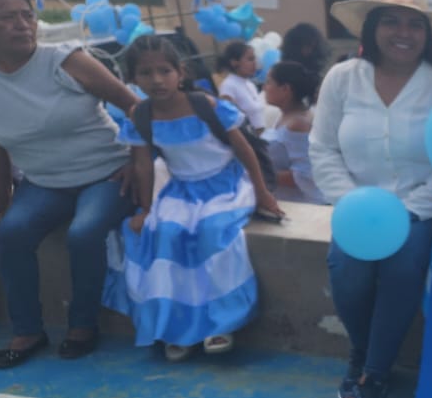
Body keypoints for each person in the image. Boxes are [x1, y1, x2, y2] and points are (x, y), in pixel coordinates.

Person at [310, 0, 432, 398]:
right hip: (356, 208)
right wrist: (350, 203)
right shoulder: (342, 79)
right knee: (348, 273)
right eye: (391, 21)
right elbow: (322, 148)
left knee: (403, 268)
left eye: (414, 24)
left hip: (420, 208)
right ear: (372, 27)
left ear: (427, 33)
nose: (403, 32)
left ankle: (373, 379)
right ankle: (362, 353)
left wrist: (413, 210)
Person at [0, 0, 139, 367]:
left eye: (28, 15)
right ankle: (27, 331)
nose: (23, 24)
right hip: (43, 181)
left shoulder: (66, 60)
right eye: (8, 17)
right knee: (11, 233)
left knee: (84, 233)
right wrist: (4, 195)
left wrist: (138, 161)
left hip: (106, 173)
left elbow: (135, 106)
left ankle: (82, 326)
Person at [105, 36, 282, 359]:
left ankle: (221, 323)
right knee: (165, 234)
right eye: (145, 73)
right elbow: (143, 165)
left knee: (213, 233)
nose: (157, 80)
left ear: (180, 72)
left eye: (165, 71)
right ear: (132, 78)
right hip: (182, 189)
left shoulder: (205, 105)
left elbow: (244, 149)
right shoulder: (140, 115)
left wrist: (262, 192)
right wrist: (146, 208)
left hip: (226, 185)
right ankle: (178, 326)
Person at [262, 61, 325, 204]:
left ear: (285, 89)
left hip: (300, 206)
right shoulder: (284, 116)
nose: (264, 87)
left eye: (269, 82)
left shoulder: (299, 124)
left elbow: (305, 174)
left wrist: (261, 175)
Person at [215, 40, 267, 132]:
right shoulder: (228, 86)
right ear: (234, 62)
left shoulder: (250, 84)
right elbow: (229, 121)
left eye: (254, 59)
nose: (254, 63)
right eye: (250, 59)